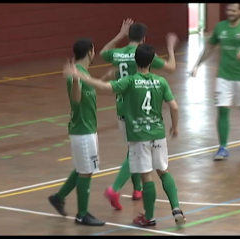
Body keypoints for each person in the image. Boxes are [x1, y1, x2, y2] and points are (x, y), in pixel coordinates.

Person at [63, 43, 186, 228]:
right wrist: (175, 128)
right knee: (163, 170)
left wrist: (82, 77)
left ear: (135, 61)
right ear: (152, 61)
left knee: (147, 177)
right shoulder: (161, 82)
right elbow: (174, 107)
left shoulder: (130, 81)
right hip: (158, 134)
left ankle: (149, 217)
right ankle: (176, 209)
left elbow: (104, 87)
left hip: (138, 135)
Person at [99, 19, 178, 210]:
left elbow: (102, 53)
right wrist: (170, 46)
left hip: (121, 107)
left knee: (133, 148)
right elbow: (171, 68)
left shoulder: (118, 53)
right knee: (135, 151)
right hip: (139, 111)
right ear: (144, 38)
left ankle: (137, 189)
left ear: (129, 35)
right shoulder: (143, 53)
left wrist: (119, 34)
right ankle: (115, 188)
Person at [190, 3, 240, 161]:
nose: (231, 13)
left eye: (234, 10)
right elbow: (209, 47)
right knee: (222, 110)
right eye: (229, 10)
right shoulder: (220, 27)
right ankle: (223, 147)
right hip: (224, 76)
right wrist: (197, 65)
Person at [47, 38, 105, 226]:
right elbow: (77, 99)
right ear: (89, 52)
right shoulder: (76, 74)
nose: (94, 53)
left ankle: (58, 197)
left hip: (87, 128)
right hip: (82, 130)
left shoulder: (83, 73)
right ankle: (82, 214)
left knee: (82, 168)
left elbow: (87, 91)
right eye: (94, 50)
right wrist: (75, 81)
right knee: (86, 171)